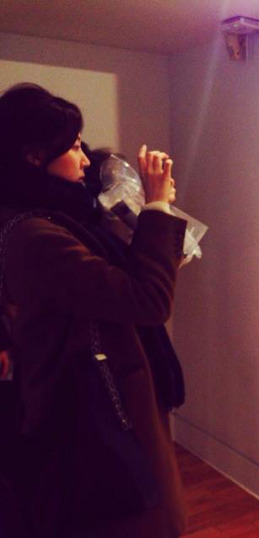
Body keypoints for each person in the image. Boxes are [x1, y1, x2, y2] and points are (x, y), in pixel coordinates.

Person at [0, 83, 188, 537]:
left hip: (107, 398)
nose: (85, 159)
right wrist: (157, 203)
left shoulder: (65, 218)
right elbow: (146, 300)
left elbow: (125, 282)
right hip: (93, 412)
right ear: (34, 156)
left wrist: (152, 235)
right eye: (73, 146)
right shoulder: (34, 235)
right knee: (131, 517)